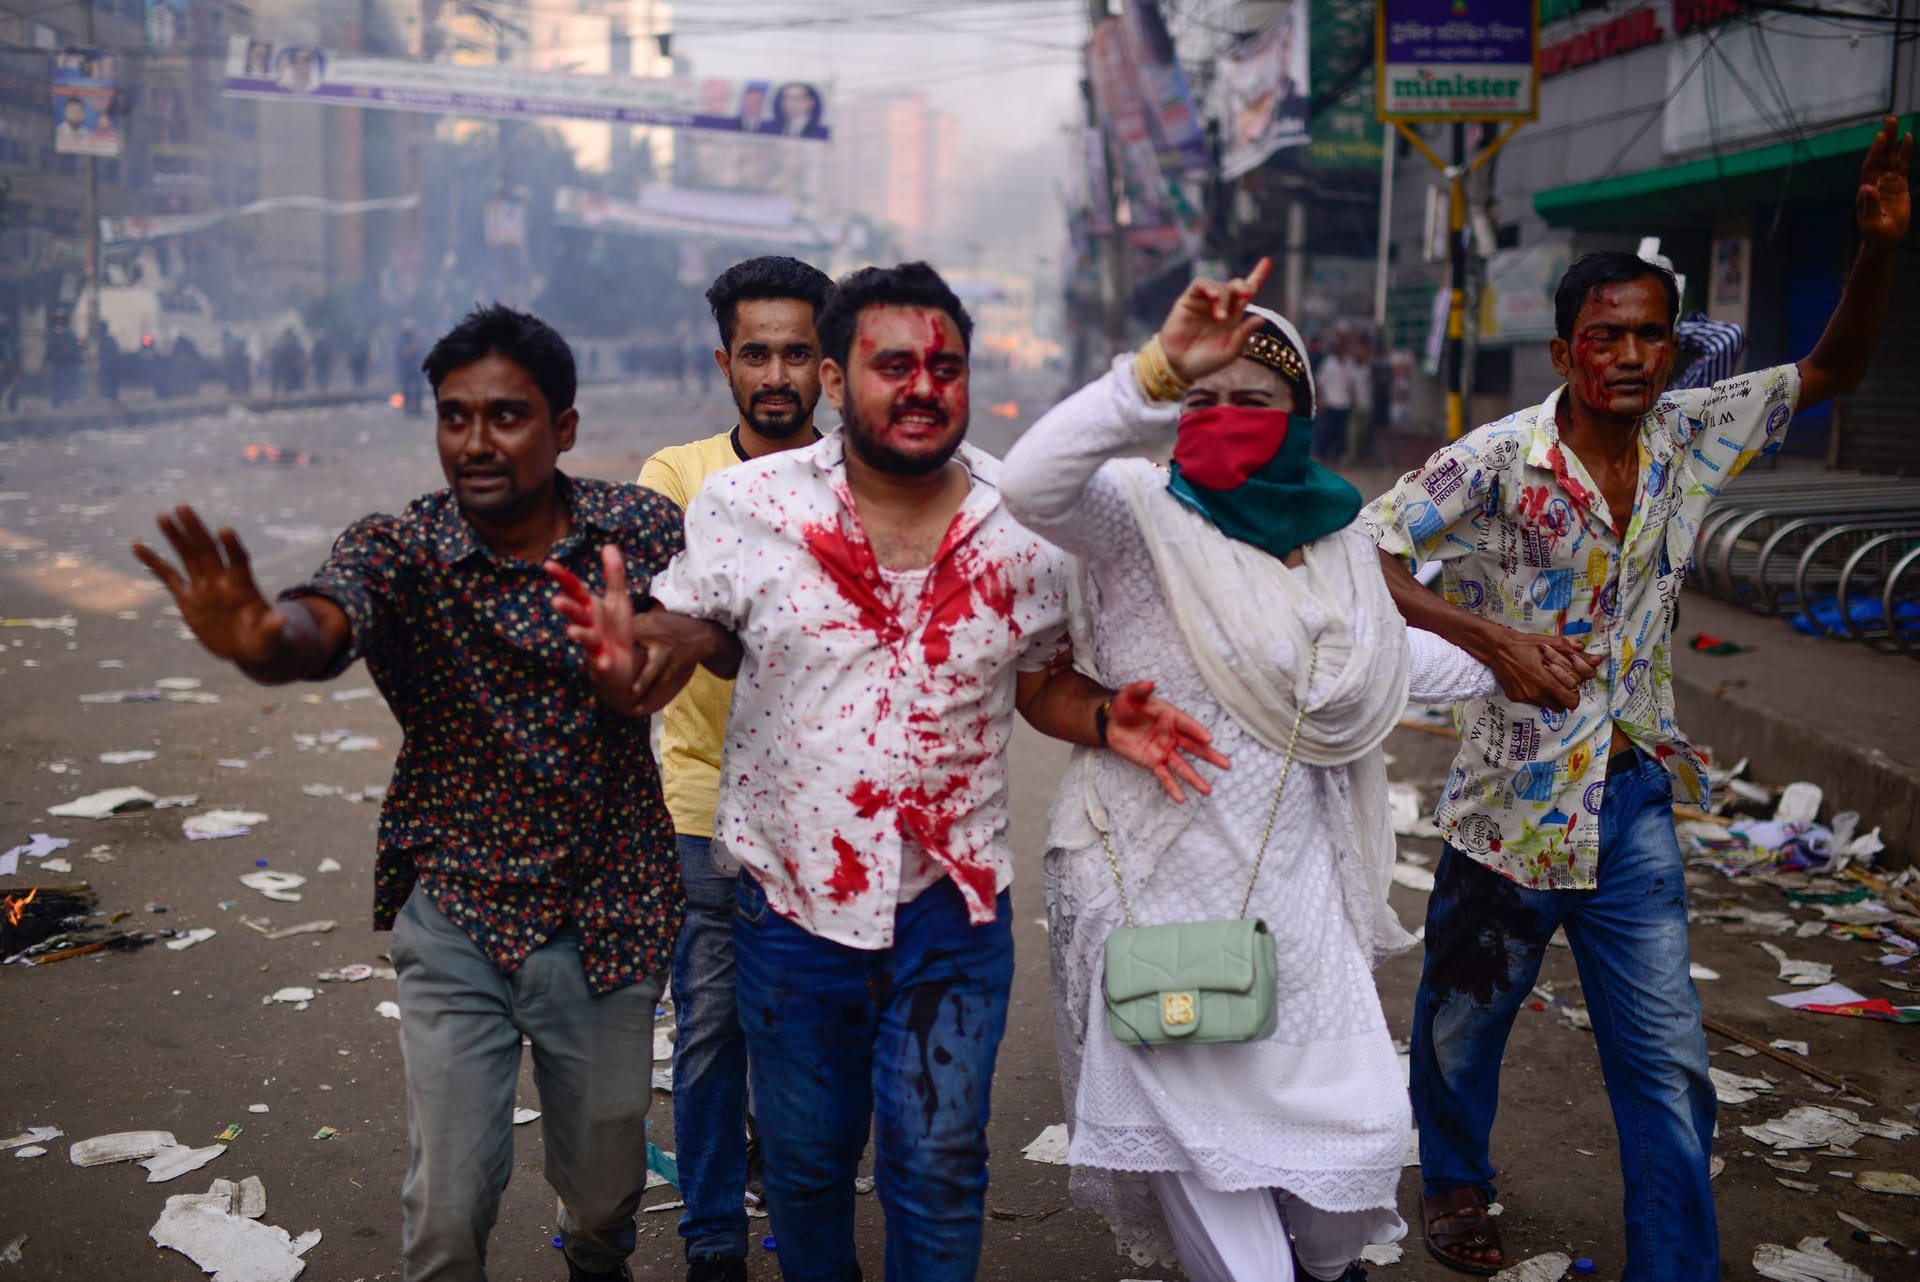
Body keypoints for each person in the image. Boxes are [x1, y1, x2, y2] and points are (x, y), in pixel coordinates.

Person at [550, 262, 1223, 1282]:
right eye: (892, 363)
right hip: (791, 912)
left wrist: (1099, 713)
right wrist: (635, 661)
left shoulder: (1023, 522)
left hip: (952, 915)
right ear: (834, 376)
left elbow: (1041, 682)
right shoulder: (745, 504)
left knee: (942, 1166)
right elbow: (694, 631)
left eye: (943, 366)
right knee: (811, 1173)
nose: (921, 386)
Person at [1361, 118, 1910, 1279]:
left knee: (1667, 1063)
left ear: (1671, 351)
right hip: (1508, 805)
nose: (1630, 355)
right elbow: (1365, 553)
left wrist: (1872, 252)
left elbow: (1838, 371)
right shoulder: (1496, 462)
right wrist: (1488, 635)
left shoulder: (1695, 435)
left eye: (1650, 336)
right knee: (1463, 1030)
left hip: (1633, 805)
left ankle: (1676, 1264)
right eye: (1605, 336)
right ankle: (1456, 1180)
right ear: (1565, 351)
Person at [130, 304, 685, 1282]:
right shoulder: (402, 548)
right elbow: (324, 619)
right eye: (454, 416)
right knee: (447, 1211)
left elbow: (703, 635)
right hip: (457, 916)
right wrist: (265, 642)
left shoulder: (634, 529)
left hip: (606, 914)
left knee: (603, 1197)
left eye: (506, 416)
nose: (475, 442)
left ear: (563, 427)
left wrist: (650, 655)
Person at [1000, 261, 1496, 1282]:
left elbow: (1379, 663)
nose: (1225, 414)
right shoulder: (1136, 513)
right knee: (1226, 1209)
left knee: (1344, 1164)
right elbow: (1030, 480)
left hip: (1296, 889)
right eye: (1203, 399)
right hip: (1151, 882)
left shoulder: (1336, 542)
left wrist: (1520, 666)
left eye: (1254, 399)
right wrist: (1153, 367)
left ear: (1302, 412)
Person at [638, 255, 835, 1282]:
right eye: (755, 351)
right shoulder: (677, 477)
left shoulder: (867, 478)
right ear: (725, 361)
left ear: (828, 366)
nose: (775, 372)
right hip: (707, 802)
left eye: (796, 351)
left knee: (814, 1039)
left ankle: (804, 1222)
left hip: (835, 815)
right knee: (711, 1028)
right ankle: (713, 1233)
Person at [758, 83, 827, 139]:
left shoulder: (822, 133)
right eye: (785, 98)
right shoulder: (770, 129)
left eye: (794, 98)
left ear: (810, 103)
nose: (787, 102)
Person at [397, 321, 424, 416]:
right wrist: (414, 347)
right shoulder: (402, 340)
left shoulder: (414, 339)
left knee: (419, 388)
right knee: (406, 389)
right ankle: (407, 408)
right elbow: (404, 354)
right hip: (406, 368)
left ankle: (417, 408)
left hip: (415, 367)